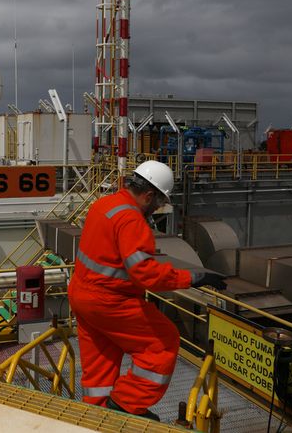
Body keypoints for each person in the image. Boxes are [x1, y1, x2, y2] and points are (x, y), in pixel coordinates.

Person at [68, 160, 226, 421]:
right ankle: (126, 405)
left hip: (82, 296)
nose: (157, 209)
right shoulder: (132, 220)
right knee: (163, 343)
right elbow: (145, 273)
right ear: (149, 195)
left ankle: (98, 416)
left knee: (100, 364)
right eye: (159, 202)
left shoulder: (104, 204)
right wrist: (192, 277)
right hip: (110, 300)